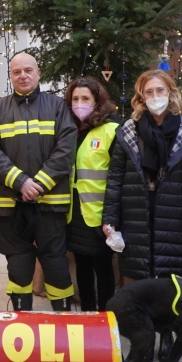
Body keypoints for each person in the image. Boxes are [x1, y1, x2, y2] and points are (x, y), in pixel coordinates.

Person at [102, 69, 182, 362]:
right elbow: (115, 178)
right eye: (149, 92)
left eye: (160, 91)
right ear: (140, 97)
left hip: (174, 212)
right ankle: (142, 338)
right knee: (140, 280)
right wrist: (110, 217)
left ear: (171, 93)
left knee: (172, 281)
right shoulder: (128, 131)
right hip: (137, 211)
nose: (155, 97)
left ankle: (168, 336)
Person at [0, 53, 78, 311]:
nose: (22, 76)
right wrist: (21, 182)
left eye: (28, 70)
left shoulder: (58, 106)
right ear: (11, 76)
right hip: (11, 205)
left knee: (56, 265)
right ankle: (20, 324)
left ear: (38, 72)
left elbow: (67, 148)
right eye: (16, 72)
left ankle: (62, 321)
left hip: (50, 203)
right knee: (18, 266)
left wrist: (40, 184)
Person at [64, 76, 119, 312]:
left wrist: (113, 214)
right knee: (81, 264)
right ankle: (87, 313)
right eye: (75, 98)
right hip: (74, 210)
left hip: (101, 212)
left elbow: (117, 177)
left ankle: (105, 315)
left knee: (103, 265)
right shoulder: (69, 129)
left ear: (97, 101)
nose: (80, 103)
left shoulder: (111, 129)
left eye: (85, 98)